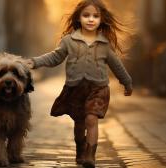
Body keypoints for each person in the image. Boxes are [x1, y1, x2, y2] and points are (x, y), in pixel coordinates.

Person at [26, 0, 133, 167]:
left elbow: (116, 65)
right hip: (75, 89)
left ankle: (90, 155)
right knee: (80, 123)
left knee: (91, 119)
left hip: (98, 89)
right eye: (86, 15)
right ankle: (80, 147)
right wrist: (35, 62)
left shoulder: (105, 44)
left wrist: (127, 82)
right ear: (78, 18)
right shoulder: (69, 40)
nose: (91, 19)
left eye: (95, 16)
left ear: (102, 19)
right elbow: (55, 57)